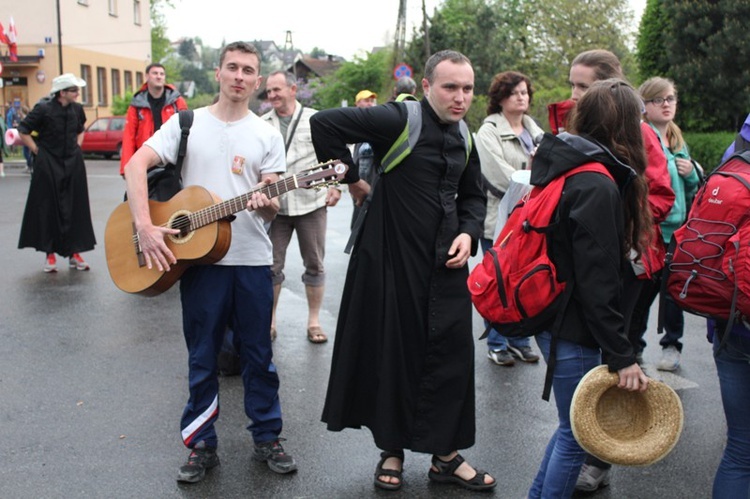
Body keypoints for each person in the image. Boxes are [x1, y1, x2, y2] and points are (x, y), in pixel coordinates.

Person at [310, 50, 496, 492]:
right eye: (450, 87)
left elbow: (474, 195)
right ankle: (390, 451)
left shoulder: (465, 134)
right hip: (391, 258)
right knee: (393, 352)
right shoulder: (398, 118)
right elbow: (324, 125)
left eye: (468, 88)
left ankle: (445, 458)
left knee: (450, 358)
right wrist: (353, 179)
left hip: (446, 262)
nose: (460, 97)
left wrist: (469, 233)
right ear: (427, 86)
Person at [123, 41, 297, 483]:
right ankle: (202, 443)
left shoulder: (266, 133)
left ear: (257, 82)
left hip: (253, 260)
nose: (240, 76)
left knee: (259, 355)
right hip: (198, 263)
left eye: (248, 71)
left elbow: (272, 201)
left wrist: (264, 202)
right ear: (218, 72)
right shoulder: (186, 122)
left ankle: (267, 436)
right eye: (233, 67)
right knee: (202, 356)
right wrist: (144, 224)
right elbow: (135, 165)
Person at [527, 79, 651, 498]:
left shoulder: (572, 165)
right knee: (577, 436)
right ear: (623, 126)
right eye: (638, 117)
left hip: (556, 316)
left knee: (568, 430)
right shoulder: (596, 183)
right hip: (573, 326)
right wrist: (622, 355)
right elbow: (597, 284)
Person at [568, 49, 674, 494]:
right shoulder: (586, 127)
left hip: (632, 264)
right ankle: (591, 444)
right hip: (602, 260)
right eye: (571, 84)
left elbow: (663, 196)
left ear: (609, 85)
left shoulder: (640, 134)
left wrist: (620, 221)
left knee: (618, 355)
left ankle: (599, 455)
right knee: (602, 353)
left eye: (582, 86)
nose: (574, 94)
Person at [262, 71, 341, 344]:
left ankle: (314, 321)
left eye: (277, 90)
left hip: (311, 205)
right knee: (271, 267)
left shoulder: (316, 120)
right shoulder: (262, 124)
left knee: (315, 265)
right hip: (276, 208)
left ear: (293, 89)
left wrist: (336, 186)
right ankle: (269, 321)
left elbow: (337, 156)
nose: (272, 95)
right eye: (269, 91)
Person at [475, 70, 543, 366]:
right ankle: (497, 341)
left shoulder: (534, 130)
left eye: (525, 92)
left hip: (531, 219)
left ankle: (520, 339)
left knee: (524, 281)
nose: (521, 97)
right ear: (500, 98)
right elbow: (497, 175)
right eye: (514, 92)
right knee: (499, 279)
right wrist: (534, 181)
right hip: (499, 217)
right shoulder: (488, 130)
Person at [639, 77, 700, 371]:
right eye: (658, 100)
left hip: (677, 233)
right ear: (645, 105)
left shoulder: (676, 138)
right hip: (650, 232)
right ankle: (633, 346)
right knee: (642, 293)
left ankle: (672, 345)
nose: (666, 104)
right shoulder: (642, 135)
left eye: (670, 99)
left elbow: (692, 193)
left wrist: (691, 173)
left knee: (674, 293)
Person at [17, 73, 96, 272]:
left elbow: (81, 129)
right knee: (48, 208)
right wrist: (36, 151)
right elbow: (23, 129)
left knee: (75, 208)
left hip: (73, 163)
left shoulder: (77, 109)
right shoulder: (43, 109)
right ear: (62, 92)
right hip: (48, 163)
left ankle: (74, 253)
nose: (78, 93)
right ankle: (49, 255)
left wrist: (78, 147)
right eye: (74, 90)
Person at [120, 63, 188, 176]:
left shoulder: (177, 101)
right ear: (147, 76)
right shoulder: (137, 105)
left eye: (162, 74)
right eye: (155, 73)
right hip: (146, 161)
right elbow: (129, 136)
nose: (159, 76)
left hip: (172, 161)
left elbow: (187, 130)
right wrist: (126, 168)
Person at [350, 89, 379, 227]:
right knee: (358, 225)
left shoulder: (378, 123)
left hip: (375, 184)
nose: (370, 104)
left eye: (372, 101)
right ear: (357, 104)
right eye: (366, 100)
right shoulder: (353, 126)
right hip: (359, 185)